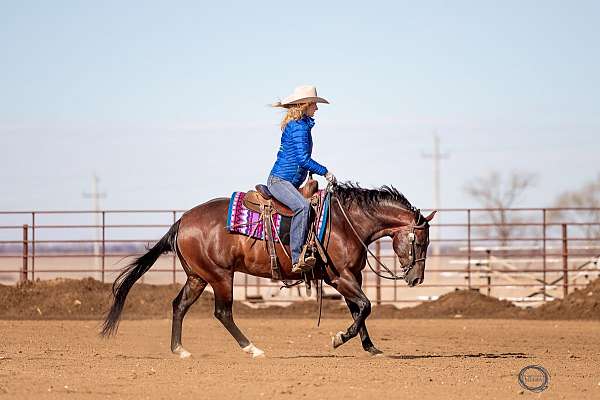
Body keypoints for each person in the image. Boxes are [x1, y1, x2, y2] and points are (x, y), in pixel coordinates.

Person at [267, 85, 336, 273]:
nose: (317, 108)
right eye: (315, 104)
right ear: (306, 104)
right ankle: (297, 258)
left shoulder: (301, 125)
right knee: (303, 207)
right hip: (280, 181)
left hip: (288, 181)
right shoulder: (298, 127)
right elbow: (302, 159)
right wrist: (325, 172)